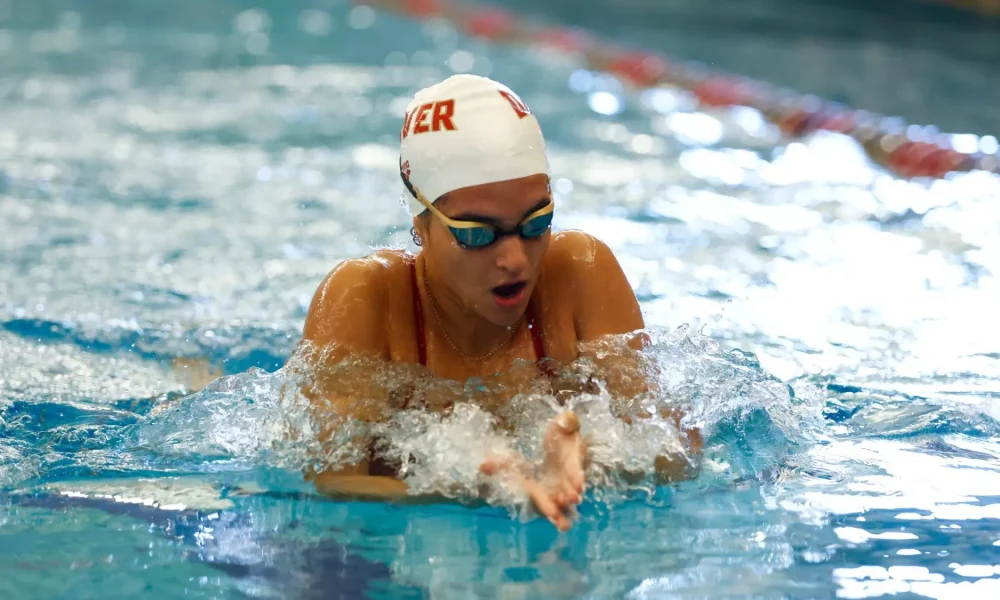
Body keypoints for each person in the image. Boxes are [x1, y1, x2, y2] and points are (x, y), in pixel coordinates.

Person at [299, 74, 700, 531]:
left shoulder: (579, 272)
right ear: (422, 223)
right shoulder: (368, 299)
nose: (515, 260)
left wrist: (599, 463)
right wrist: (478, 490)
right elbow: (327, 486)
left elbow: (678, 450)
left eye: (536, 224)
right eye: (478, 234)